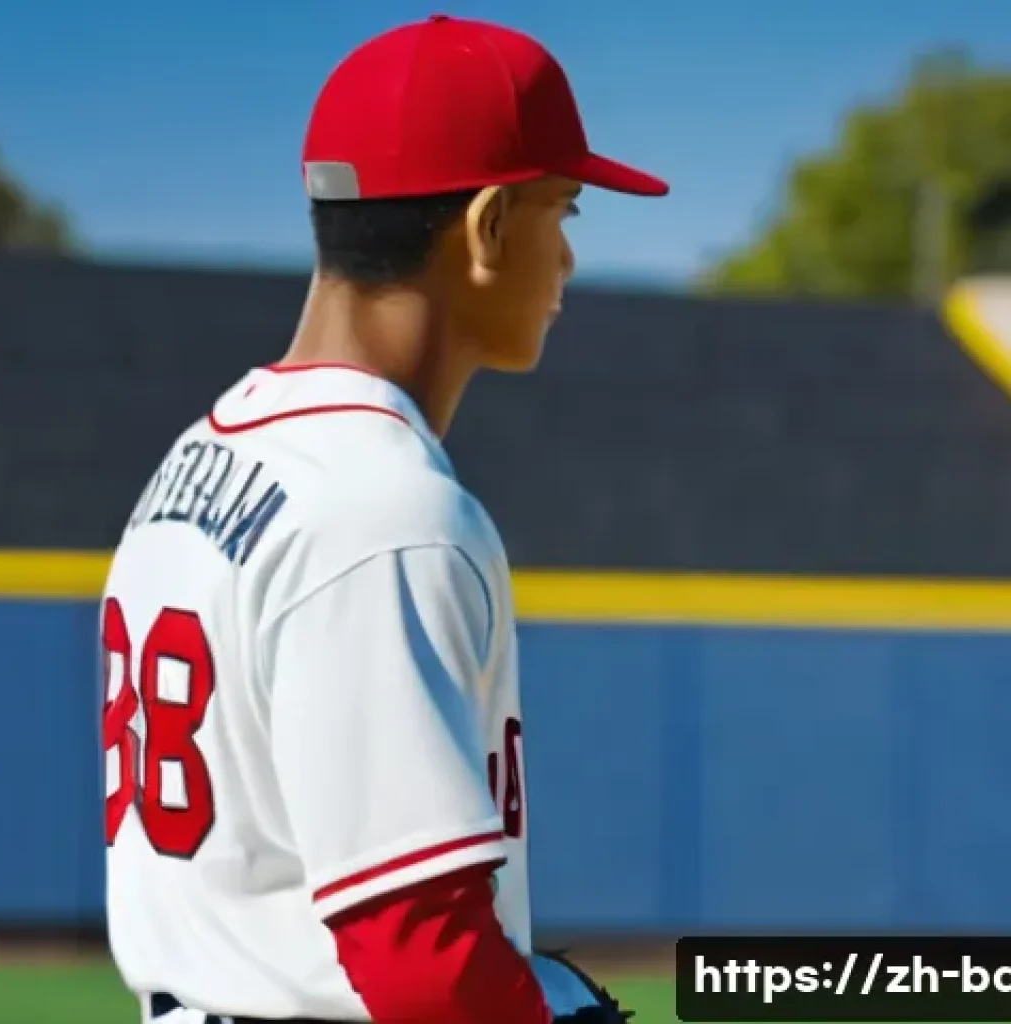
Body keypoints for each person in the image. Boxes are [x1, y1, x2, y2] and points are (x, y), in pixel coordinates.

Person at [101, 14, 668, 1024]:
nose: (570, 260)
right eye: (563, 209)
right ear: (490, 227)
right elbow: (420, 957)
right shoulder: (383, 506)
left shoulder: (202, 455)